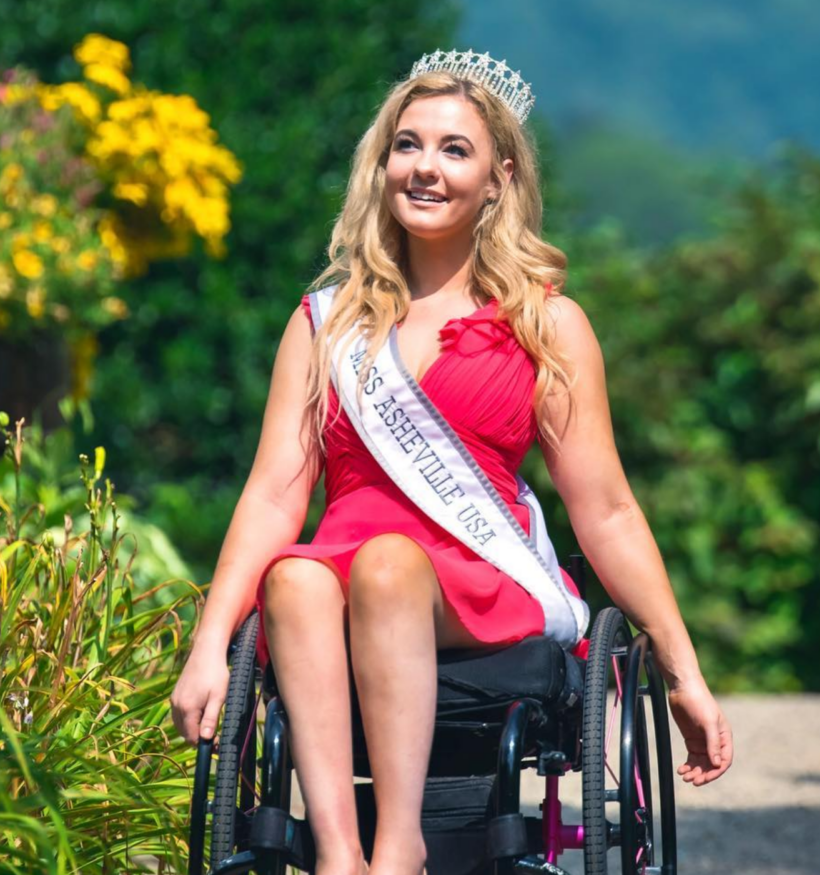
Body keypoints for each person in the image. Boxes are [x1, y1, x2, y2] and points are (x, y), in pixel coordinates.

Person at [171, 49, 733, 875]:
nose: (424, 168)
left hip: (476, 580)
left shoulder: (546, 326)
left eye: (453, 149)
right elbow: (270, 493)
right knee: (291, 577)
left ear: (499, 177)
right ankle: (339, 854)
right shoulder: (326, 321)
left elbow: (606, 508)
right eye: (408, 145)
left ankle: (400, 849)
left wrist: (682, 667)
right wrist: (209, 641)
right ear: (382, 161)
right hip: (333, 576)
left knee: (389, 566)